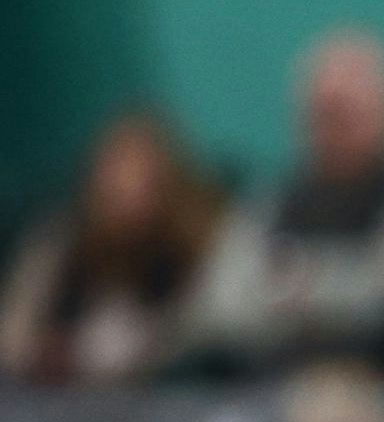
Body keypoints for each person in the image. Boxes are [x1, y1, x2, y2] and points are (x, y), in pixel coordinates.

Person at [181, 29, 384, 377]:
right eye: (323, 113)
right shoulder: (273, 200)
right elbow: (223, 305)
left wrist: (301, 290)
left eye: (348, 112)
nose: (334, 127)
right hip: (285, 392)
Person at [0, 112, 224, 387]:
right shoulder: (62, 244)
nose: (126, 194)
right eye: (115, 178)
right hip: (59, 411)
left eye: (143, 181)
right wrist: (46, 350)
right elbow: (13, 338)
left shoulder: (196, 251)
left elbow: (205, 335)